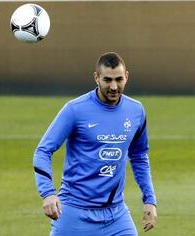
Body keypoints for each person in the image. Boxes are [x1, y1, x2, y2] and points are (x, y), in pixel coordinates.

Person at [33, 52, 157, 236]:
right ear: (96, 77)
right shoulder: (75, 110)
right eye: (107, 80)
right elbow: (43, 151)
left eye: (119, 79)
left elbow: (139, 156)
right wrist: (48, 193)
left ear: (127, 77)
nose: (114, 86)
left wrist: (150, 200)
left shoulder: (136, 111)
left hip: (116, 215)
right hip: (75, 212)